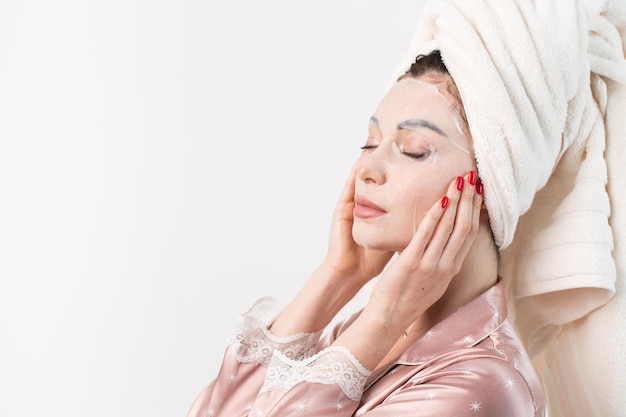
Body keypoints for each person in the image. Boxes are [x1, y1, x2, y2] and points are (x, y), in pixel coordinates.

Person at [185, 50, 545, 417]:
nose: (367, 169)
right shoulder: (361, 332)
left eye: (412, 150)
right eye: (370, 143)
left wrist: (382, 319)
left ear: (489, 182)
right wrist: (337, 276)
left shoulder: (487, 385)